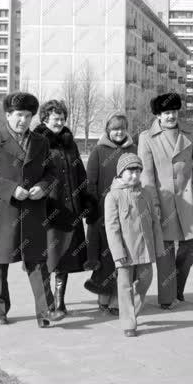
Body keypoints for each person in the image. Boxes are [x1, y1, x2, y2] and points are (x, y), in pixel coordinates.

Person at [0, 91, 63, 328]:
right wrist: (11, 189)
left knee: (37, 262)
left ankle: (47, 311)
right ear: (8, 115)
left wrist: (43, 187)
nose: (23, 120)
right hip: (3, 212)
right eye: (18, 115)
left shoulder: (41, 142)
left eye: (27, 116)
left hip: (34, 212)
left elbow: (51, 173)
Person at [138, 92, 193, 308]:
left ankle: (177, 288)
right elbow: (146, 175)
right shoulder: (146, 138)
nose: (171, 116)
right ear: (158, 115)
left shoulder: (188, 133)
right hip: (163, 201)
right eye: (166, 112)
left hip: (187, 200)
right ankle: (167, 298)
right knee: (165, 250)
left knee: (191, 246)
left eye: (174, 112)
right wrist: (154, 203)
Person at [34, 100, 94, 318]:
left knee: (65, 257)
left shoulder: (70, 142)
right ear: (44, 119)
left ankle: (60, 303)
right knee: (48, 257)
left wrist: (86, 199)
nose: (59, 122)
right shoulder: (37, 142)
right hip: (48, 209)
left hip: (71, 208)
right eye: (55, 118)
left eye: (62, 118)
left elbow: (80, 173)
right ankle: (46, 302)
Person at [104, 153, 165, 337]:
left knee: (145, 281)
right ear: (121, 172)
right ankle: (128, 322)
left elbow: (155, 221)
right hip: (125, 252)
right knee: (124, 287)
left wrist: (159, 246)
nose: (134, 175)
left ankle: (133, 310)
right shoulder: (113, 197)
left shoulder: (146, 193)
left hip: (145, 249)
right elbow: (111, 227)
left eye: (138, 171)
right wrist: (117, 252)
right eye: (130, 171)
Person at [85, 111, 137, 314]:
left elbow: (139, 176)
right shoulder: (98, 151)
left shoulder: (133, 148)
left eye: (122, 128)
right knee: (104, 257)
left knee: (123, 257)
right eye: (115, 129)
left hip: (127, 211)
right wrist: (92, 208)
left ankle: (117, 299)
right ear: (108, 130)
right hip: (103, 212)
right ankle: (103, 296)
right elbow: (91, 182)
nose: (119, 132)